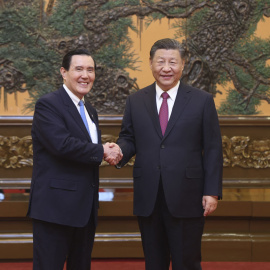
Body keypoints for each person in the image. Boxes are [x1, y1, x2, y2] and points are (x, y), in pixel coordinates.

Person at [114, 38, 223, 270]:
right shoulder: (135, 101)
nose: (166, 68)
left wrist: (212, 192)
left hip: (188, 194)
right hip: (149, 195)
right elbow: (129, 138)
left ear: (183, 65)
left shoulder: (202, 101)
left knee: (187, 262)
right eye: (160, 61)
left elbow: (213, 148)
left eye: (172, 62)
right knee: (154, 262)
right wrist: (119, 150)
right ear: (151, 64)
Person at [27, 49, 122, 270]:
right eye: (78, 69)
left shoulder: (90, 111)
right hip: (55, 209)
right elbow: (62, 145)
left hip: (84, 211)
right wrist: (102, 151)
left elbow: (85, 152)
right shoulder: (48, 104)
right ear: (64, 72)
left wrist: (108, 151)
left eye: (90, 70)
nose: (85, 75)